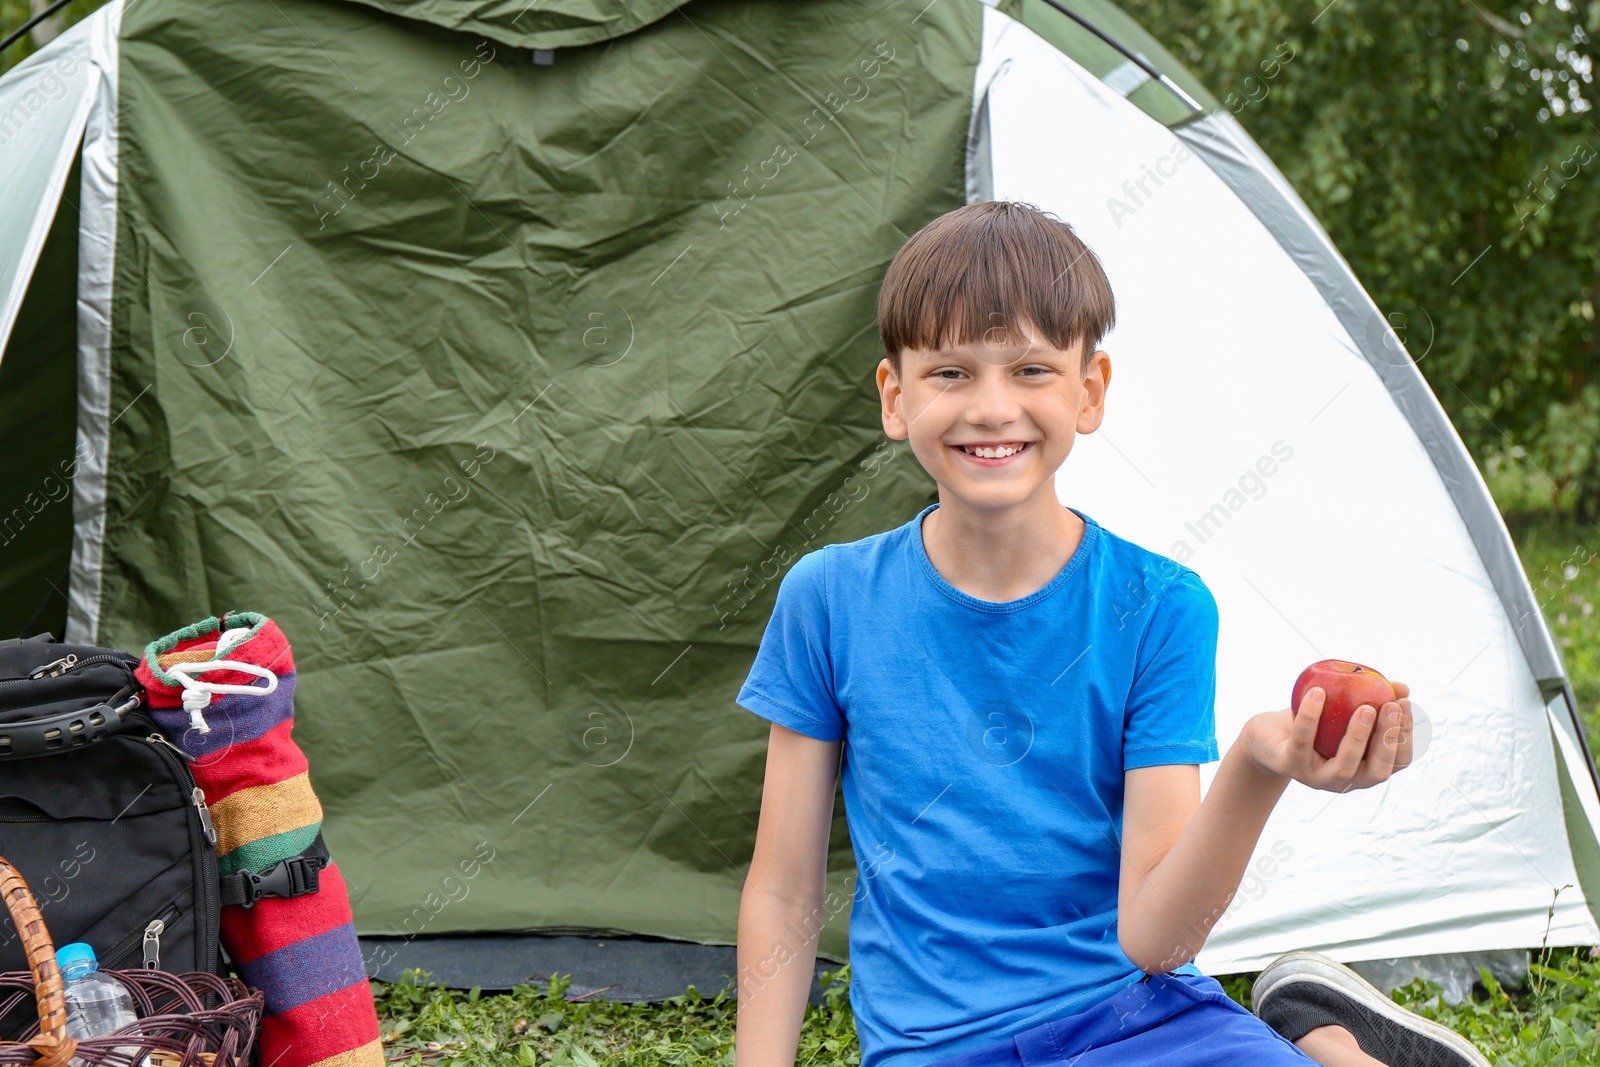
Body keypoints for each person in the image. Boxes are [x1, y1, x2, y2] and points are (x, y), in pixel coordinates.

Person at [731, 200, 1490, 1067]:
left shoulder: (1162, 606)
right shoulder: (827, 600)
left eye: (1030, 370)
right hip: (941, 1048)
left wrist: (1258, 761)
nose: (990, 407)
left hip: (1152, 1023)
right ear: (894, 396)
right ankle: (1318, 1035)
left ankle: (1320, 1038)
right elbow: (786, 888)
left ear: (1088, 392)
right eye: (949, 373)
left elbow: (1156, 938)